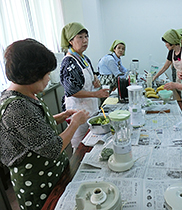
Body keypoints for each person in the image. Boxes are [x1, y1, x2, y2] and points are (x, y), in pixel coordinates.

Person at [0, 38, 89, 209]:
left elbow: (32, 130)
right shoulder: (17, 106)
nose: (49, 78)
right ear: (32, 74)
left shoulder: (27, 94)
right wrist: (75, 124)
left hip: (54, 173)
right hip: (38, 184)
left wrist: (59, 117)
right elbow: (52, 147)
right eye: (47, 74)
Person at [60, 22, 109, 149]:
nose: (85, 40)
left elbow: (91, 74)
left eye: (86, 37)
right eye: (80, 37)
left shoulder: (84, 58)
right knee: (80, 145)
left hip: (91, 108)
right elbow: (72, 90)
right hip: (78, 111)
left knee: (93, 143)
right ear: (70, 41)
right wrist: (96, 94)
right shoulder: (69, 62)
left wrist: (95, 79)